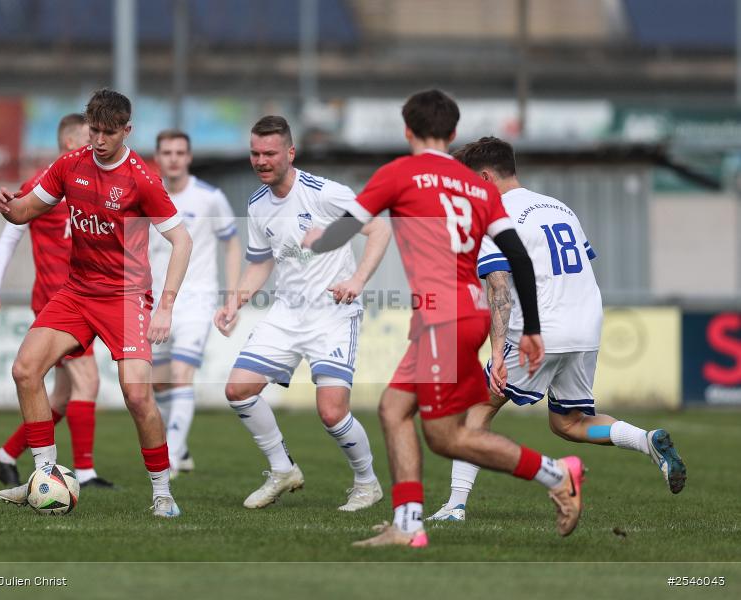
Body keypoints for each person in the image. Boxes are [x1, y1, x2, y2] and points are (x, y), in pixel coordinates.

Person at [303, 89, 585, 546]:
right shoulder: (476, 185)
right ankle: (408, 524)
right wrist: (531, 327)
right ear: (453, 132)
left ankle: (557, 475)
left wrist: (317, 239)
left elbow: (345, 228)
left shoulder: (399, 173)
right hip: (465, 314)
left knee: (446, 438)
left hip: (444, 320)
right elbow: (517, 256)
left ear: (407, 130)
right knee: (393, 410)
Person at [425, 136, 686, 523]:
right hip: (585, 324)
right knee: (568, 422)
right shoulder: (559, 207)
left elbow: (499, 288)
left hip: (540, 329)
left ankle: (455, 506)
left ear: (483, 177)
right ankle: (646, 441)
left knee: (472, 411)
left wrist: (497, 354)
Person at [0, 89, 192, 518]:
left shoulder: (142, 179)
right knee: (25, 369)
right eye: (94, 130)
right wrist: (9, 209)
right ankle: (45, 475)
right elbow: (26, 211)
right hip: (77, 292)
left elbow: (181, 240)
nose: (98, 140)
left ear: (126, 131)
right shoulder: (70, 164)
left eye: (108, 133)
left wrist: (167, 306)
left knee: (137, 396)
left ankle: (162, 492)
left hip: (127, 297)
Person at [213, 116, 392, 511]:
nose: (261, 161)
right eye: (255, 153)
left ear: (290, 153)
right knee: (238, 390)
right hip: (287, 314)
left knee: (331, 412)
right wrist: (234, 302)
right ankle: (282, 469)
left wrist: (358, 281)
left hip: (333, 312)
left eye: (270, 154)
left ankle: (367, 483)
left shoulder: (325, 193)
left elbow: (378, 229)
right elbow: (261, 262)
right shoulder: (258, 203)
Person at [0, 114, 114, 490]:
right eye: (90, 137)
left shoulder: (94, 182)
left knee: (64, 395)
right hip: (59, 302)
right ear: (70, 143)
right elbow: (10, 235)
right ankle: (83, 473)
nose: (98, 144)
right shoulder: (43, 183)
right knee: (87, 381)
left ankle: (4, 456)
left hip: (86, 299)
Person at [149, 129, 241, 477]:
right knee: (157, 384)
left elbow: (231, 243)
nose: (173, 158)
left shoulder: (209, 197)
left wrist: (232, 296)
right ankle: (182, 448)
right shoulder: (148, 194)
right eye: (167, 152)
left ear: (188, 157)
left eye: (179, 152)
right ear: (158, 157)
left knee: (181, 374)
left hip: (197, 299)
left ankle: (170, 456)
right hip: (156, 302)